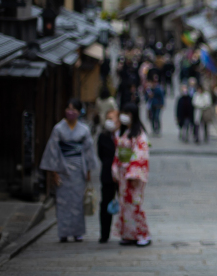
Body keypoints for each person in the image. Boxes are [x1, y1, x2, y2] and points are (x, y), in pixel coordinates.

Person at [40, 98, 98, 243]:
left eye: (74, 110)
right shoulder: (58, 128)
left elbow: (88, 151)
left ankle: (78, 232)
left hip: (79, 169)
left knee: (78, 202)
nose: (70, 112)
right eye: (68, 109)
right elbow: (53, 151)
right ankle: (64, 232)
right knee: (63, 202)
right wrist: (54, 172)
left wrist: (89, 172)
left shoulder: (84, 129)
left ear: (79, 113)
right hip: (62, 168)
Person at [112, 103, 151, 247]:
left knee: (135, 204)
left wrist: (134, 175)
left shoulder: (139, 135)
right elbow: (118, 153)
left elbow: (140, 155)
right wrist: (115, 169)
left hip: (133, 175)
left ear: (133, 116)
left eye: (127, 114)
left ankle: (143, 234)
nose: (124, 117)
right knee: (124, 205)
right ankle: (128, 234)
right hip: (123, 174)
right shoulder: (124, 133)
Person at [97, 109, 119, 243]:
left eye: (113, 118)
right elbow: (100, 154)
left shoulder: (124, 135)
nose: (110, 122)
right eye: (108, 119)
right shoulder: (103, 136)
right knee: (105, 203)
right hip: (107, 174)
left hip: (123, 175)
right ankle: (104, 233)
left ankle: (127, 232)